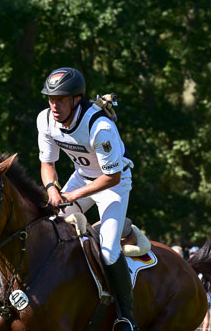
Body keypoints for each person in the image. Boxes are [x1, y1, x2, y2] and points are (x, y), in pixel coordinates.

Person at [37, 67, 137, 330]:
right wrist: (52, 190)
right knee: (48, 225)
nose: (54, 105)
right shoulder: (45, 120)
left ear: (76, 99)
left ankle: (126, 316)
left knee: (108, 251)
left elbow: (111, 178)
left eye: (60, 99)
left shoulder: (99, 126)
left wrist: (72, 195)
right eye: (51, 98)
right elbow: (47, 163)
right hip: (82, 177)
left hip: (113, 184)